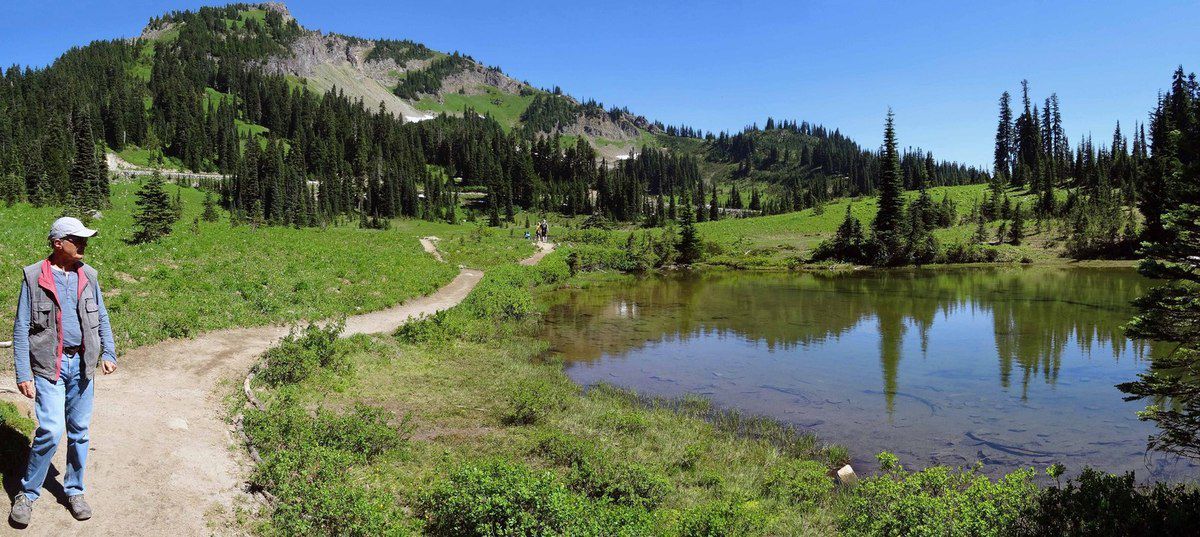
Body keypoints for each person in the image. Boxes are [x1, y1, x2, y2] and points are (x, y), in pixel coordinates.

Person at [9, 217, 117, 526]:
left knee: (80, 432)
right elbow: (20, 329)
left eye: (85, 239)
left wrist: (108, 351)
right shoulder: (33, 277)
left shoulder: (89, 276)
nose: (84, 244)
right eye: (77, 239)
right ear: (59, 243)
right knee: (51, 430)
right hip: (48, 366)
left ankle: (74, 491)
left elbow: (103, 316)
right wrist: (23, 373)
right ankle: (27, 494)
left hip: (82, 365)